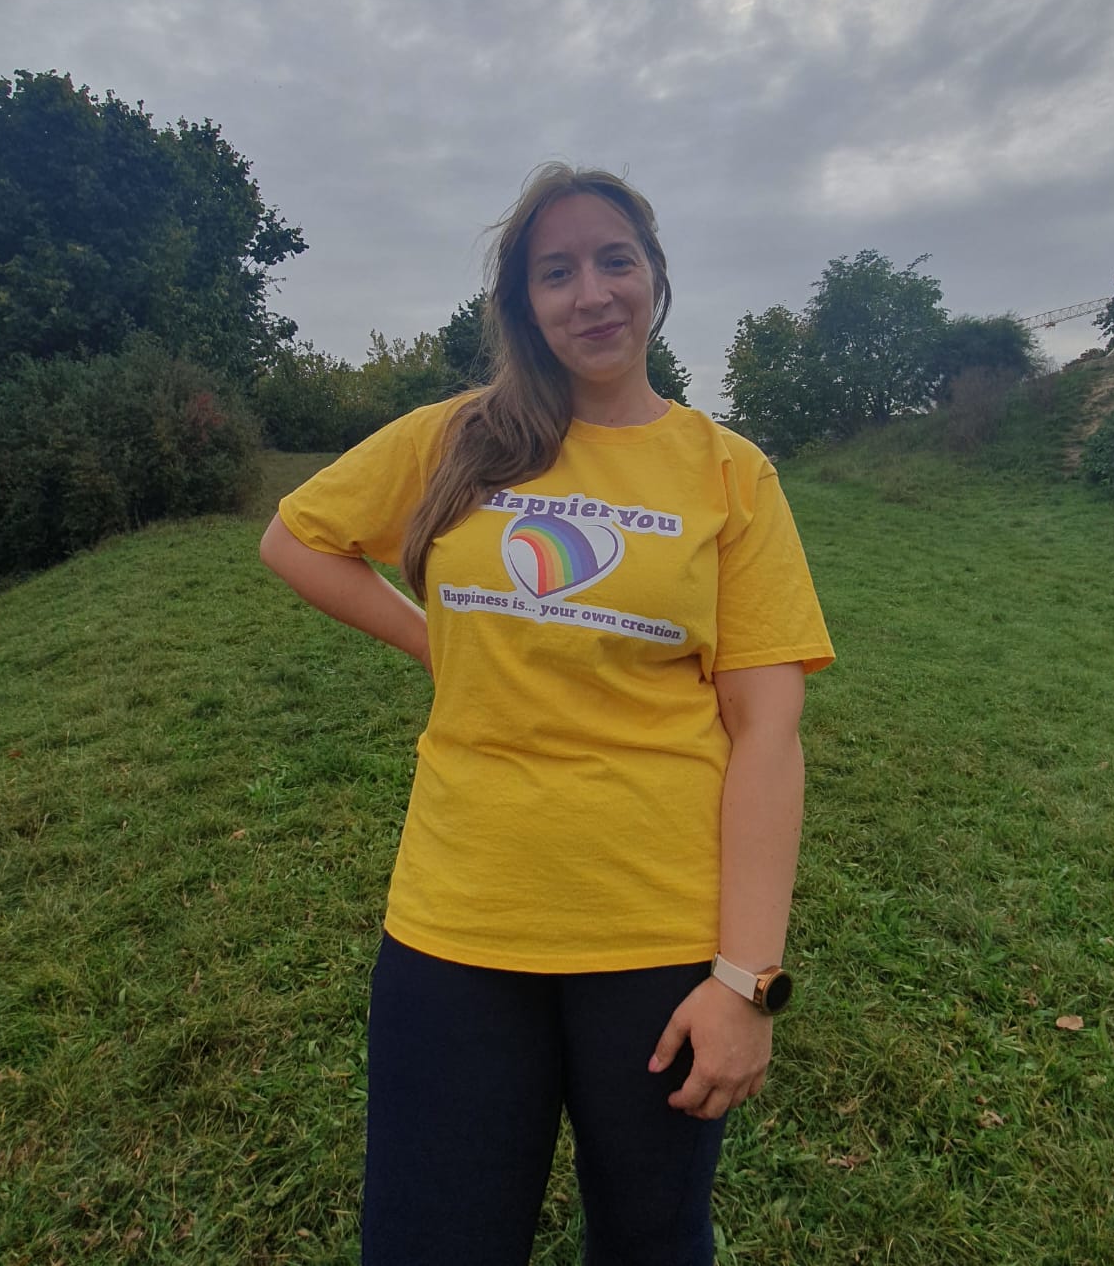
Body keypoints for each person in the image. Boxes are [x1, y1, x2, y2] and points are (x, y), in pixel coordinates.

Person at [260, 164, 834, 1266]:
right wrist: (436, 641)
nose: (592, 292)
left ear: (654, 275)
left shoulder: (729, 473)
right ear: (524, 301)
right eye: (556, 271)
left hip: (657, 935)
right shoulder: (457, 437)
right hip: (457, 923)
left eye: (615, 260)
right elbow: (298, 539)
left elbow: (767, 731)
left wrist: (747, 982)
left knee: (652, 1242)